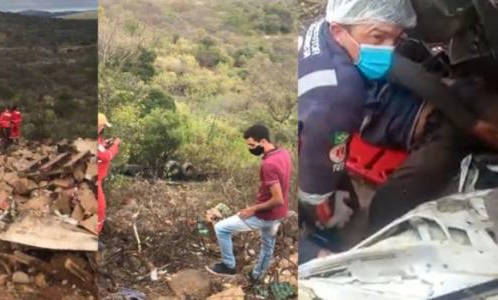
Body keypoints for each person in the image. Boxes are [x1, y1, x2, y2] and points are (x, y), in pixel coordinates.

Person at [297, 0, 498, 263]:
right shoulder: (338, 99)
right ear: (339, 30)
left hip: (403, 101)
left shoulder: (338, 27)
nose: (388, 47)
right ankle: (371, 246)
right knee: (387, 203)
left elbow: (406, 70)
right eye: (379, 37)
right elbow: (316, 180)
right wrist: (321, 205)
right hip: (393, 116)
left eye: (395, 38)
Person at [206, 124, 292, 281]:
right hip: (278, 215)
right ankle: (257, 277)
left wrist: (253, 209)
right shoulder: (284, 154)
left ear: (263, 141)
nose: (250, 148)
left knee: (221, 228)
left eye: (252, 145)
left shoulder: (268, 164)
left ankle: (229, 266)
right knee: (268, 247)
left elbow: (277, 198)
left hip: (264, 216)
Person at [98, 113, 120, 237]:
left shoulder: (99, 141)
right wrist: (115, 145)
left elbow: (101, 149)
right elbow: (106, 156)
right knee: (100, 209)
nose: (103, 129)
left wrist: (106, 144)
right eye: (102, 126)